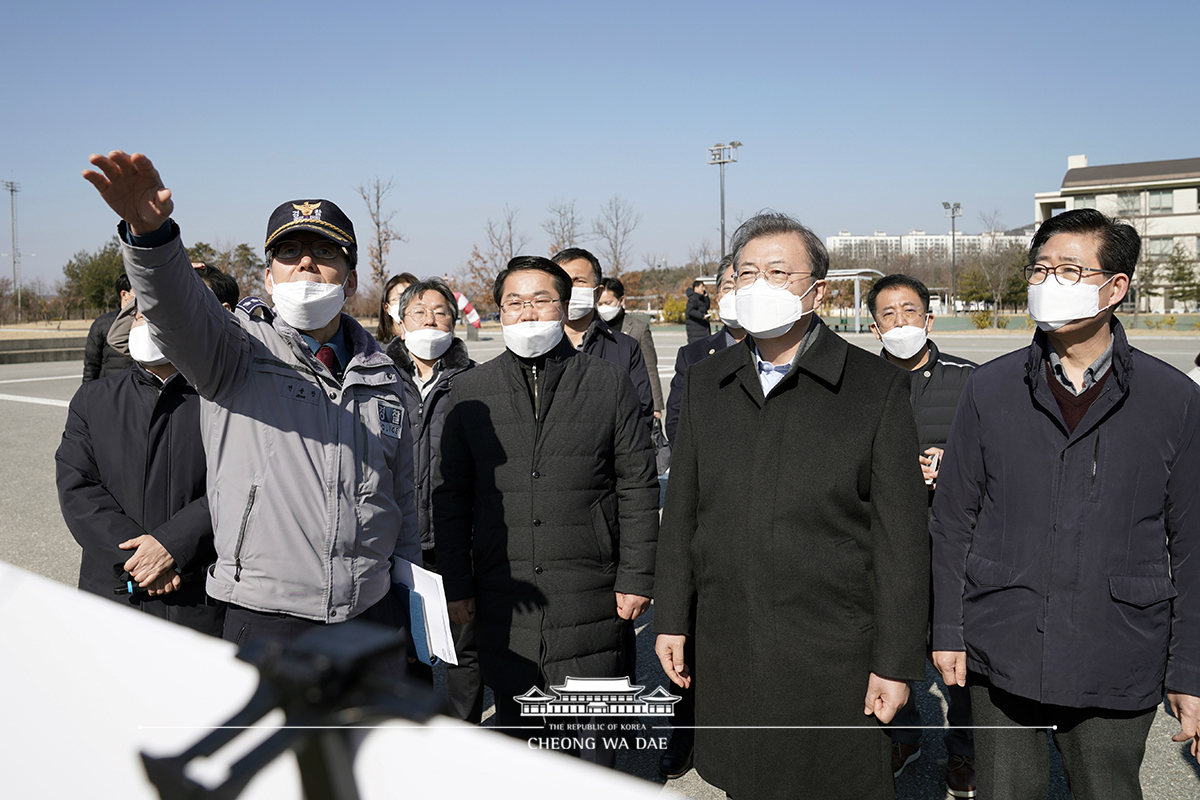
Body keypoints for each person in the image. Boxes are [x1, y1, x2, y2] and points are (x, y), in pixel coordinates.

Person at [82, 151, 420, 652]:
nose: (306, 261)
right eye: (290, 252)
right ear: (267, 278)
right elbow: (178, 308)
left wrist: (409, 597)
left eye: (324, 253)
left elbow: (403, 499)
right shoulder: (234, 349)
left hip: (372, 615)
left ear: (349, 280)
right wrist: (151, 236)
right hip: (268, 618)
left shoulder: (386, 376)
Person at [654, 212, 929, 799]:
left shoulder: (874, 388)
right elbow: (682, 514)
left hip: (833, 650)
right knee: (746, 780)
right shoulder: (709, 383)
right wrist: (673, 617)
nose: (759, 286)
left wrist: (896, 660)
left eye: (778, 273)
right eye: (746, 272)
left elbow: (901, 540)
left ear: (817, 290)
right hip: (731, 639)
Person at [930, 208, 1200, 799]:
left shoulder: (1174, 399)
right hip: (1004, 641)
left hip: (1119, 644)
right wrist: (948, 629)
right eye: (1041, 268)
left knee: (1108, 789)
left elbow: (1193, 544)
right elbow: (953, 520)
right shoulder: (990, 388)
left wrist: (1190, 670)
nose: (1049, 281)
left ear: (1116, 287)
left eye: (1070, 269)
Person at [433, 256, 658, 767]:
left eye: (541, 300)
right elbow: (451, 498)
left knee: (593, 745)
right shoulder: (470, 391)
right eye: (514, 302)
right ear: (499, 311)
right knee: (523, 745)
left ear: (566, 306)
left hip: (591, 591)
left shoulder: (606, 382)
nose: (527, 312)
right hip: (504, 593)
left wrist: (638, 576)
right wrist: (458, 586)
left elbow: (638, 486)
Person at [866, 273, 977, 797]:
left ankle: (964, 751)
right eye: (889, 314)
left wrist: (949, 465)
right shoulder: (857, 382)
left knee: (956, 648)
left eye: (910, 311)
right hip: (882, 540)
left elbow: (996, 456)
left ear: (929, 318)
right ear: (873, 326)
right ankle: (903, 736)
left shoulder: (970, 380)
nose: (900, 322)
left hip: (952, 538)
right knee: (891, 639)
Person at [57, 302, 224, 637]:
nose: (145, 323)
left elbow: (237, 484)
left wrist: (172, 546)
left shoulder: (223, 401)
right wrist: (139, 564)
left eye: (159, 313)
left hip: (198, 597)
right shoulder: (93, 398)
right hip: (111, 594)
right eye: (139, 316)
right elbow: (78, 488)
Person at [657, 253, 742, 779]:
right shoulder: (697, 355)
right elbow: (679, 426)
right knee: (684, 627)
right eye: (731, 281)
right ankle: (682, 733)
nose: (738, 290)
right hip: (706, 503)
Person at [384, 277, 482, 722]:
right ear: (400, 320)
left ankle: (461, 730)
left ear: (454, 320)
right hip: (394, 538)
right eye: (419, 312)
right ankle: (416, 730)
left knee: (466, 646)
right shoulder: (375, 377)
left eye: (440, 311)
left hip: (457, 539)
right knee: (405, 646)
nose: (430, 319)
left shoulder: (476, 381)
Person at [664, 255, 744, 444]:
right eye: (727, 288)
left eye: (741, 286)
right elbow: (676, 421)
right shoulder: (692, 356)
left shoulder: (779, 351)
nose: (734, 294)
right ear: (718, 297)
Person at [596, 276, 664, 416]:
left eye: (608, 302)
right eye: (599, 303)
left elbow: (650, 368)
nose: (603, 308)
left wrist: (656, 406)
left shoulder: (639, 329)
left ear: (621, 300)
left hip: (631, 402)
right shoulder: (593, 327)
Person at [82, 273, 135, 382]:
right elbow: (91, 365)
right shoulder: (102, 324)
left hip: (139, 390)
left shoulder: (147, 322)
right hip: (111, 388)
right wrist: (88, 392)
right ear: (124, 294)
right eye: (138, 291)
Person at [377, 272, 419, 343]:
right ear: (387, 307)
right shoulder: (377, 350)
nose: (406, 301)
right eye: (400, 297)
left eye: (412, 296)